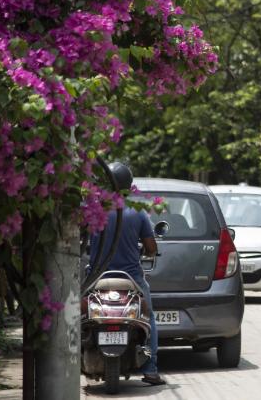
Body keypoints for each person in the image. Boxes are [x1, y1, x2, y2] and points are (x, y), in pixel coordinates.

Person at [88, 162, 165, 386]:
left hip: (97, 278)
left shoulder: (94, 210)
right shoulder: (138, 212)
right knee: (148, 318)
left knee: (83, 316)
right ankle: (150, 370)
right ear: (129, 186)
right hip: (131, 279)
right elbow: (151, 248)